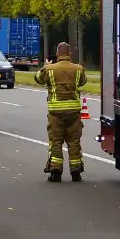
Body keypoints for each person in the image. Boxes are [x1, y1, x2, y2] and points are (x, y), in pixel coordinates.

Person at [34, 42, 87, 182]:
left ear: (57, 54)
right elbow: (83, 82)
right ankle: (76, 172)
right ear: (69, 54)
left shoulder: (49, 69)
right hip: (74, 112)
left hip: (56, 113)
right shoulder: (78, 69)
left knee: (56, 141)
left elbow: (38, 79)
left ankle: (55, 172)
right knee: (74, 141)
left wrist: (45, 66)